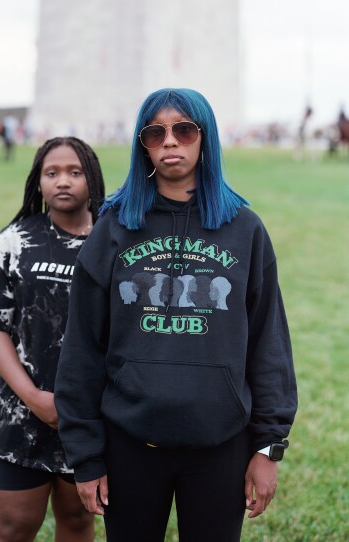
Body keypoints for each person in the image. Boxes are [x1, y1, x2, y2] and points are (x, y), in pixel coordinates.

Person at [54, 88, 297, 542]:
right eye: (155, 132)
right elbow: (82, 348)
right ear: (142, 144)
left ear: (205, 140)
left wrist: (268, 448)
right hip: (129, 443)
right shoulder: (113, 228)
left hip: (221, 445)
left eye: (184, 130)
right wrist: (86, 456)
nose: (170, 142)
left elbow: (269, 344)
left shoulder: (245, 229)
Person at [0, 137, 107, 542]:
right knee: (15, 525)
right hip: (20, 409)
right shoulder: (14, 241)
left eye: (75, 172)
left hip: (89, 414)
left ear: (92, 179)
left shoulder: (113, 244)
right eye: (52, 173)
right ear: (38, 182)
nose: (63, 181)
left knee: (78, 521)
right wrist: (34, 398)